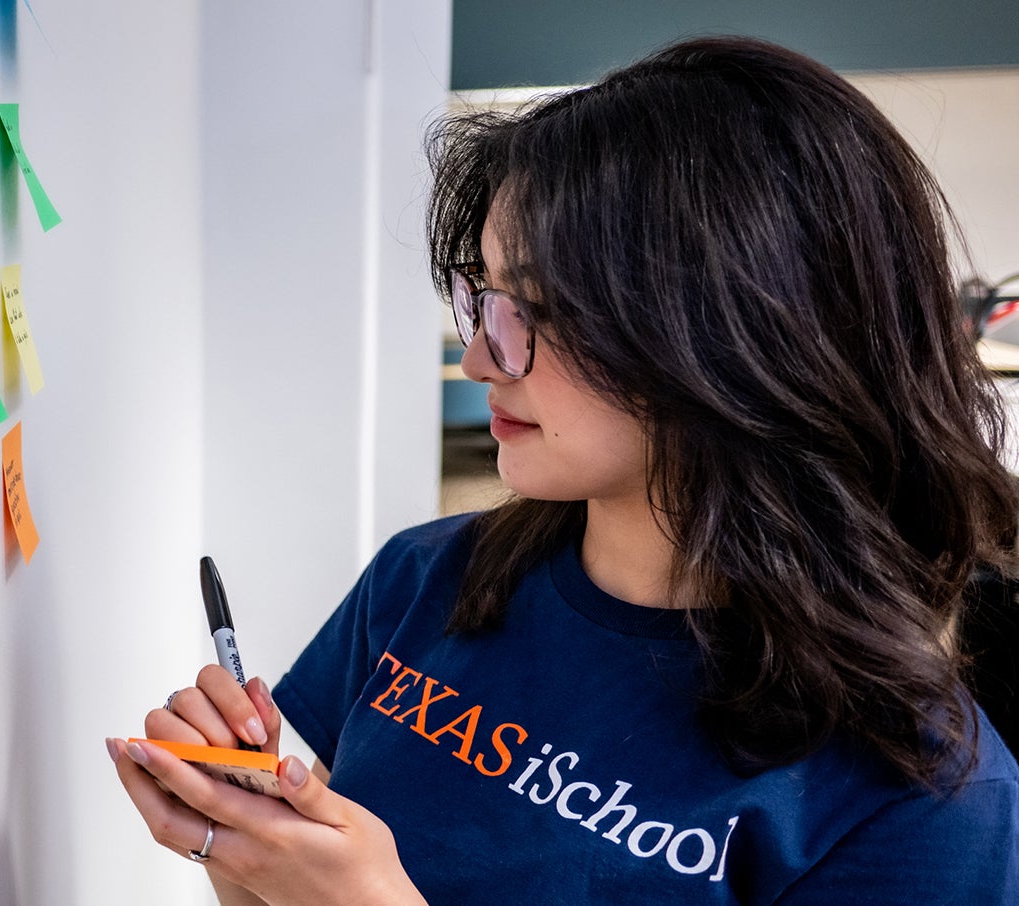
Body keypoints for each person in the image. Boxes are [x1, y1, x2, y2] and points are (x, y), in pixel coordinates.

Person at [107, 36, 1019, 904]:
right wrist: (236, 839)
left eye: (536, 311)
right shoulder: (426, 581)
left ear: (742, 338)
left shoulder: (925, 794)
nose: (479, 361)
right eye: (485, 299)